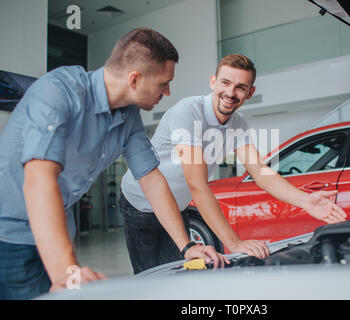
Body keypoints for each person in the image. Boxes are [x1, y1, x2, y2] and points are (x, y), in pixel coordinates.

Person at [0, 28, 225, 300]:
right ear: (134, 79)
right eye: (163, 83)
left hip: (55, 234)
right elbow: (39, 179)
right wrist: (66, 270)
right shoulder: (58, 91)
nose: (167, 92)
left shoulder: (128, 116)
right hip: (9, 237)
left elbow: (151, 179)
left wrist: (187, 246)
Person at [120, 54, 347, 274]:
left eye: (240, 87)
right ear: (212, 82)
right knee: (151, 277)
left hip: (177, 205)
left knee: (179, 271)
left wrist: (305, 200)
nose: (230, 92)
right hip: (141, 202)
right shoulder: (187, 112)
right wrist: (233, 242)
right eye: (225, 83)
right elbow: (196, 184)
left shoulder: (238, 125)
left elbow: (260, 171)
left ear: (250, 92)